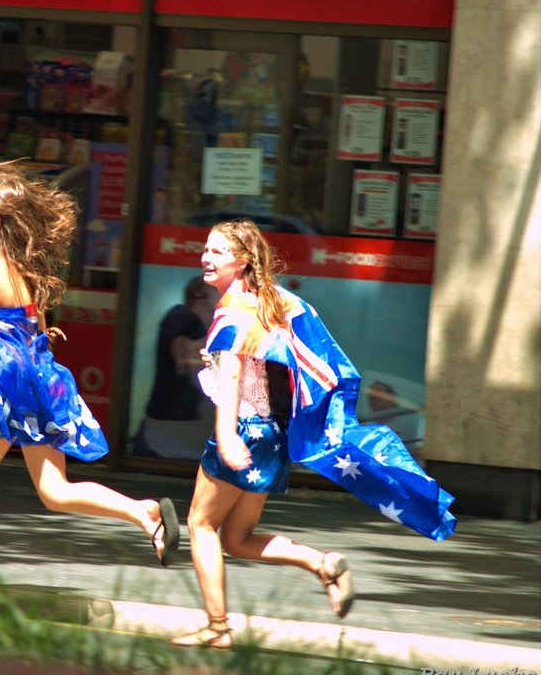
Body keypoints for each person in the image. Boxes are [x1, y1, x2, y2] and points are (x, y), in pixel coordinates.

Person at [173, 219, 456, 649]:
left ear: (242, 260)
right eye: (205, 250)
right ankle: (323, 564)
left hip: (245, 431)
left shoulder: (233, 310)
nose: (205, 258)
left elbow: (232, 376)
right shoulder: (265, 303)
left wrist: (226, 434)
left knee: (200, 525)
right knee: (237, 538)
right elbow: (252, 366)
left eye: (216, 252)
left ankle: (217, 627)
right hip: (271, 435)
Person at [0, 159, 180, 607]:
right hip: (39, 382)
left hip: (7, 391)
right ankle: (143, 512)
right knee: (56, 492)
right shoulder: (23, 268)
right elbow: (25, 331)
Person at [133, 276, 216, 459]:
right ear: (198, 293)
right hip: (166, 430)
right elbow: (184, 357)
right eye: (217, 290)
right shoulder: (181, 316)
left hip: (182, 427)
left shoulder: (199, 326)